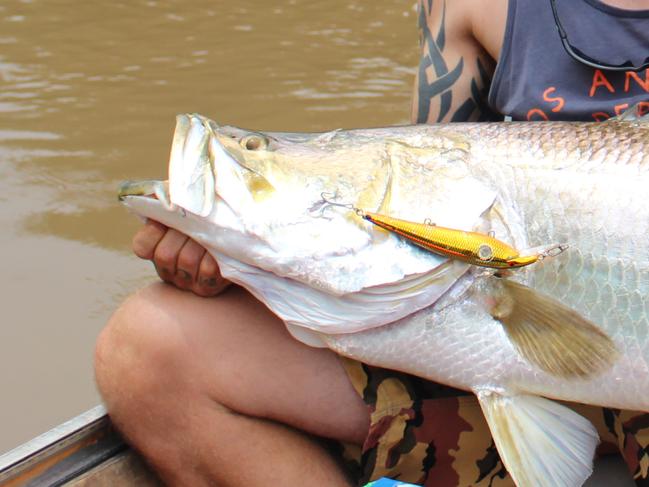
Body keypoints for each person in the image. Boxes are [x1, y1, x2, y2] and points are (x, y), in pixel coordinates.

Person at [95, 1, 649, 485]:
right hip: (476, 328)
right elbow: (433, 154)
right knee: (148, 349)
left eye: (260, 158)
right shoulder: (476, 4)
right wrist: (238, 260)